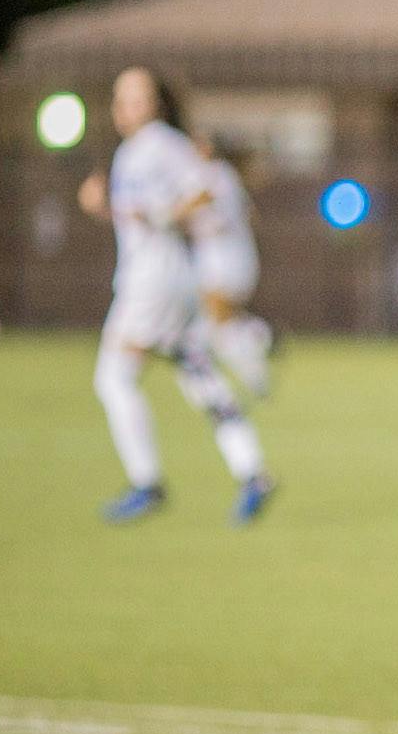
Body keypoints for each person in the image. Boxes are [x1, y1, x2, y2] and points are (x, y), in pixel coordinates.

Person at [79, 67, 276, 524]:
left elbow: (205, 188)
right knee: (198, 373)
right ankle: (251, 471)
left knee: (113, 378)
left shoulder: (161, 144)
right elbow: (142, 216)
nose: (123, 107)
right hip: (174, 279)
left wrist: (163, 213)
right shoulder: (134, 152)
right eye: (119, 97)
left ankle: (146, 483)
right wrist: (107, 208)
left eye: (134, 98)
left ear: (157, 104)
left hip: (151, 282)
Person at [191, 133, 273, 397]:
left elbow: (192, 205)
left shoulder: (213, 174)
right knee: (217, 324)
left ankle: (261, 339)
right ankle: (256, 345)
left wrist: (161, 214)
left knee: (216, 328)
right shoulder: (229, 177)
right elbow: (252, 216)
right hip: (238, 257)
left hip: (222, 260)